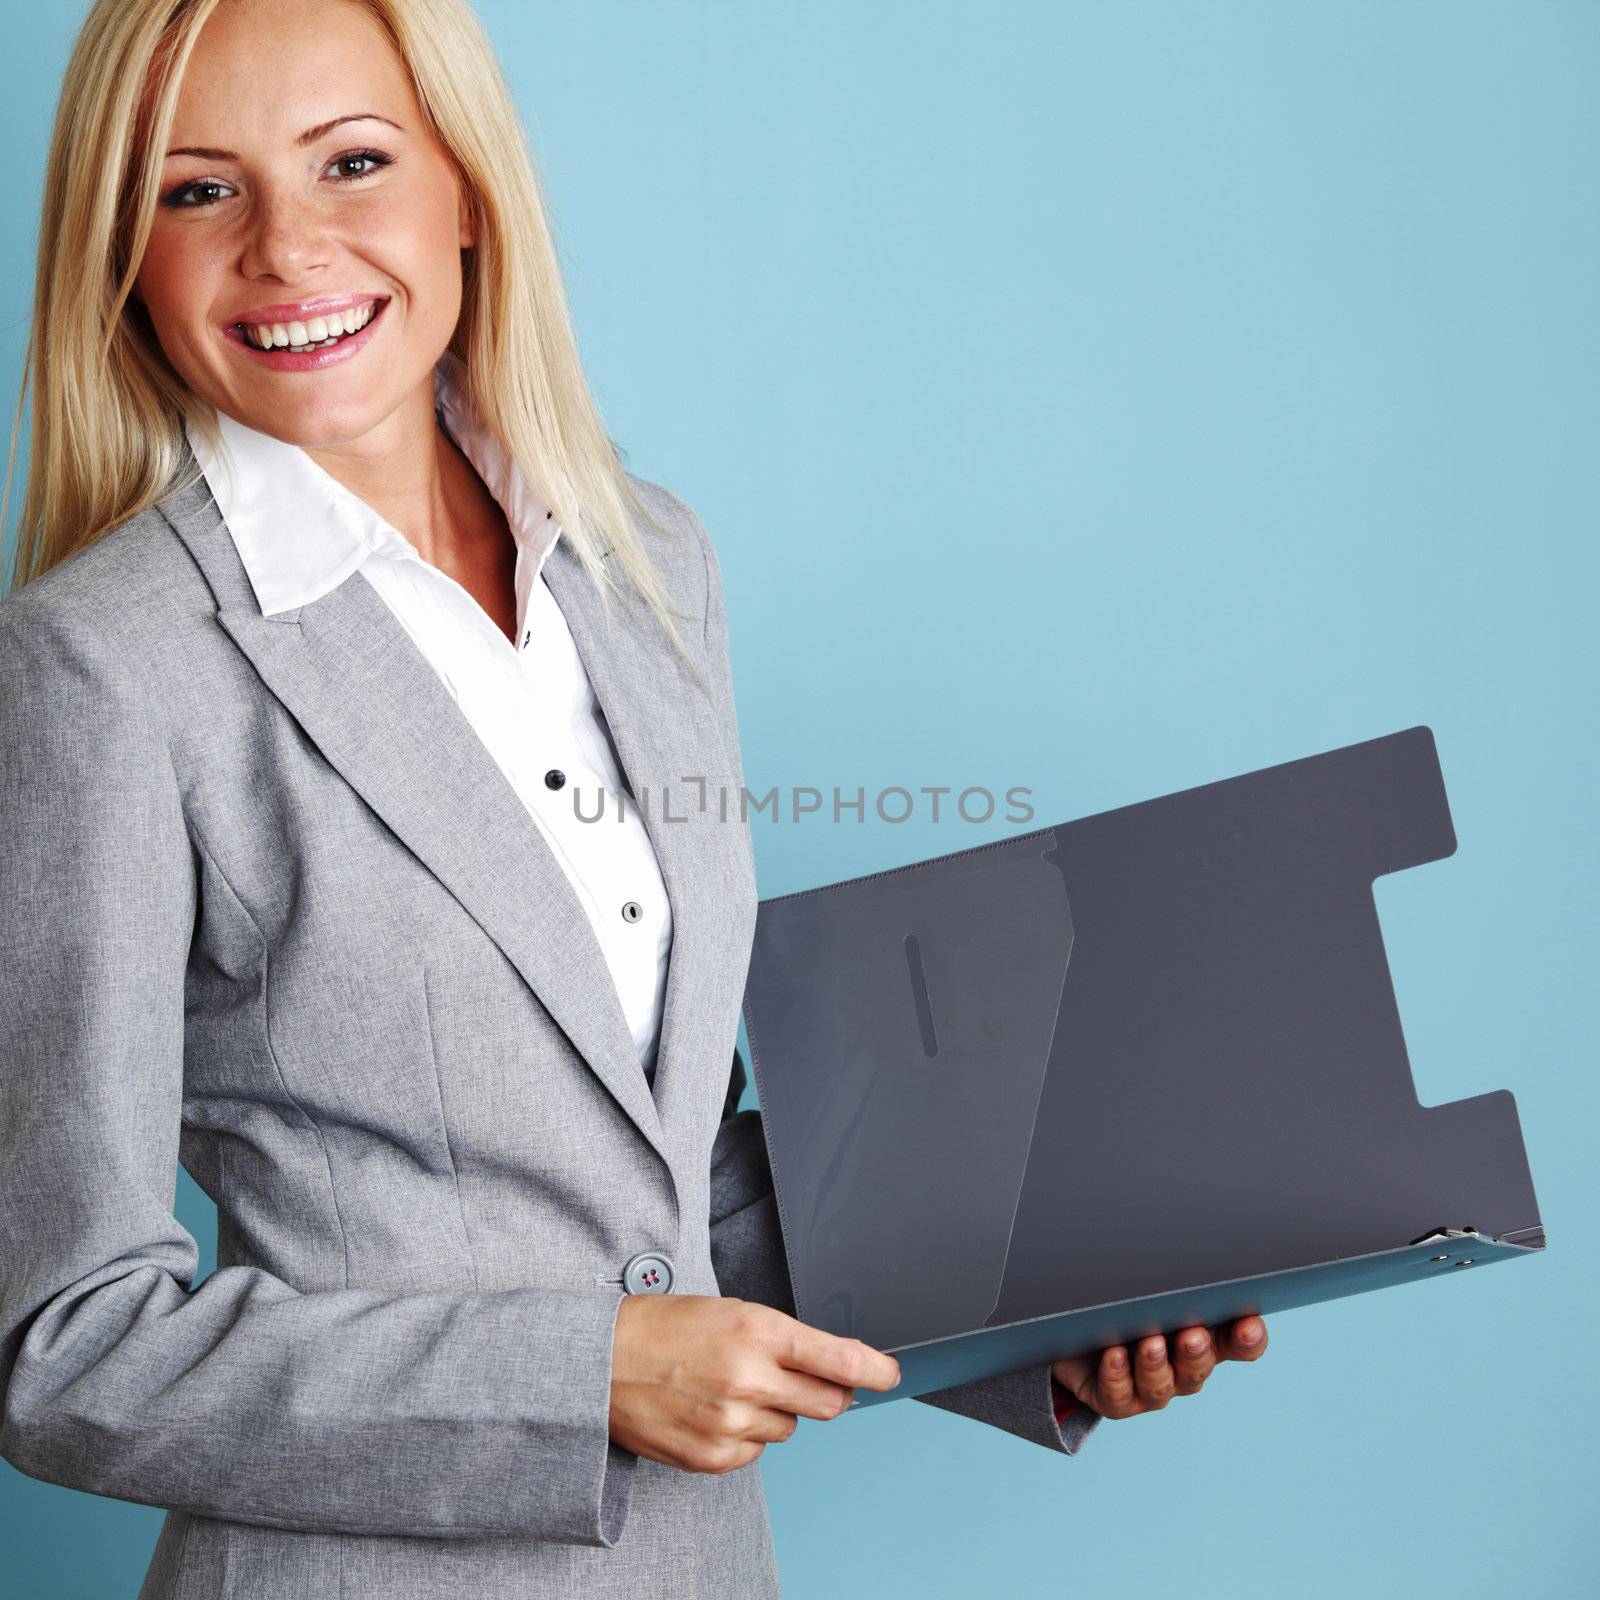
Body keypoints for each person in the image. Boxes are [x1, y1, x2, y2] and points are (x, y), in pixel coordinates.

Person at [0, 2, 1268, 1596]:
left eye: (353, 162)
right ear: (124, 254)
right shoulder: (97, 668)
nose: (287, 245)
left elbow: (654, 1193)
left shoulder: (644, 559)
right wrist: (582, 1374)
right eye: (199, 190)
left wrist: (1045, 1321)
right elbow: (61, 1348)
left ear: (466, 188)